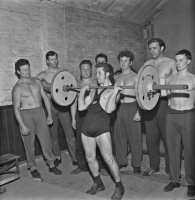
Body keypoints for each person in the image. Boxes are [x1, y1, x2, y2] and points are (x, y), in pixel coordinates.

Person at [78, 63, 124, 200]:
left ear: (107, 74)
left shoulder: (113, 91)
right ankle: (98, 183)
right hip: (86, 129)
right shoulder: (93, 90)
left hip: (102, 130)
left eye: (99, 73)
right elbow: (81, 108)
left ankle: (119, 187)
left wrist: (115, 92)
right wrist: (81, 93)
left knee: (109, 160)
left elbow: (110, 110)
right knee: (90, 157)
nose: (95, 75)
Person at [12, 59, 62, 181]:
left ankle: (51, 163)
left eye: (28, 68)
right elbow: (16, 108)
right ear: (18, 72)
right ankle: (32, 167)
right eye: (24, 70)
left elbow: (45, 98)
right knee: (29, 145)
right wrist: (22, 125)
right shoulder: (17, 88)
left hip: (40, 112)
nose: (27, 71)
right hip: (26, 115)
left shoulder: (37, 81)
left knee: (46, 141)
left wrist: (49, 114)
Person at [142, 38, 177, 176]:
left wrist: (172, 103)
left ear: (162, 48)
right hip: (149, 104)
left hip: (164, 103)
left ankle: (170, 167)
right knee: (151, 138)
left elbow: (175, 83)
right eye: (150, 48)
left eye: (155, 48)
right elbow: (141, 85)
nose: (152, 51)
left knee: (168, 137)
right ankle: (154, 166)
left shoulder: (170, 63)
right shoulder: (147, 64)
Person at [163, 49, 195, 198]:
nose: (178, 63)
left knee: (190, 151)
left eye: (181, 60)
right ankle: (174, 179)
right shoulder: (170, 79)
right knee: (172, 149)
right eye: (176, 60)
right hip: (171, 115)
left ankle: (191, 183)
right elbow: (165, 96)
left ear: (188, 61)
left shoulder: (193, 79)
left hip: (188, 115)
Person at [37, 51, 77, 166]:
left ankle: (74, 158)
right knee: (53, 135)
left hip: (63, 107)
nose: (54, 61)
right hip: (50, 107)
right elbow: (34, 82)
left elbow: (72, 87)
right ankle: (57, 156)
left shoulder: (63, 73)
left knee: (70, 134)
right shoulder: (44, 74)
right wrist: (45, 87)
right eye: (51, 59)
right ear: (47, 61)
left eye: (55, 59)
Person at [113, 50, 142, 174]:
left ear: (131, 62)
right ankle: (121, 161)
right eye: (121, 61)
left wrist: (139, 112)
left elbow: (141, 96)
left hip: (132, 107)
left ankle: (136, 164)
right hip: (119, 108)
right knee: (119, 137)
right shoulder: (117, 77)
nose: (123, 63)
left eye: (126, 61)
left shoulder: (136, 77)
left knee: (134, 137)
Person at [71, 60, 96, 174]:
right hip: (80, 115)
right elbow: (73, 102)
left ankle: (101, 166)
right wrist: (73, 118)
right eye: (83, 69)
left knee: (96, 141)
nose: (85, 71)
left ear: (91, 70)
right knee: (80, 141)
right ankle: (82, 166)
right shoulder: (76, 84)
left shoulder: (96, 83)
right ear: (80, 71)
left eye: (87, 69)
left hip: (94, 115)